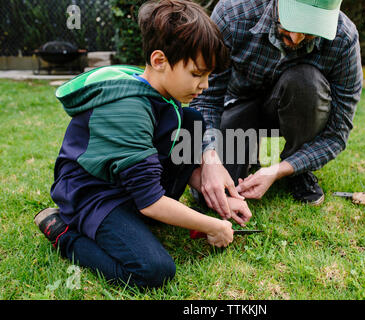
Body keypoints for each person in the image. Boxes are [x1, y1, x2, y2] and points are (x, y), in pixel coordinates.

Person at [34, 0, 251, 289]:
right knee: (153, 270)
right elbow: (149, 201)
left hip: (125, 184)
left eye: (208, 75)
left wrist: (219, 200)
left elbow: (176, 160)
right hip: (93, 192)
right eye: (197, 74)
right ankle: (63, 233)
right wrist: (212, 225)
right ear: (160, 61)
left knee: (191, 120)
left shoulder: (164, 93)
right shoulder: (128, 111)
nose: (205, 86)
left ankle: (145, 216)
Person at [190, 0, 363, 210]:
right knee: (209, 195)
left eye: (310, 30)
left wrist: (280, 169)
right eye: (293, 22)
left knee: (305, 81)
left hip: (298, 106)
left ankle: (297, 168)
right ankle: (247, 152)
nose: (296, 38)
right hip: (240, 106)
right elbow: (206, 99)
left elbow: (337, 133)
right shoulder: (232, 14)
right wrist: (210, 158)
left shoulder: (344, 39)